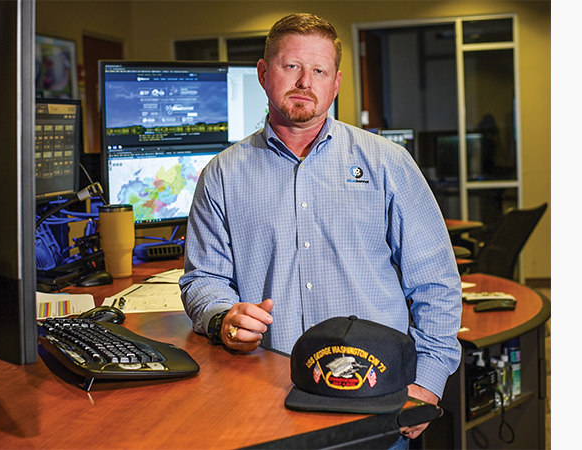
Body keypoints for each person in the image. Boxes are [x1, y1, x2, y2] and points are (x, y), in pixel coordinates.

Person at [179, 13, 461, 448]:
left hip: (377, 398)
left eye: (319, 70)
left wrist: (426, 381)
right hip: (268, 396)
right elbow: (203, 279)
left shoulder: (387, 163)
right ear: (263, 72)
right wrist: (222, 318)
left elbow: (436, 282)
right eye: (292, 66)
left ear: (336, 82)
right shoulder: (221, 175)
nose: (305, 82)